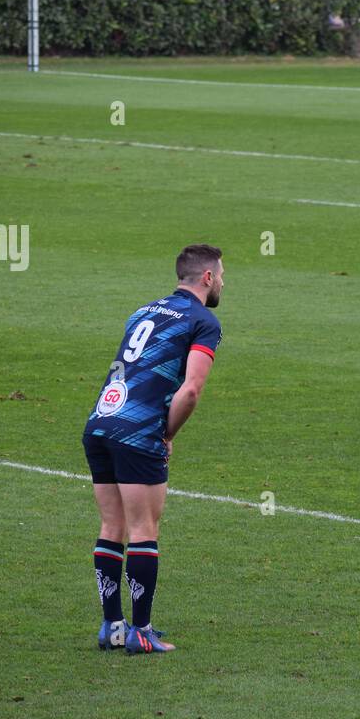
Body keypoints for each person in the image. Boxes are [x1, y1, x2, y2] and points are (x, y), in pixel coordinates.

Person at [84, 244, 226, 655]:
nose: (222, 283)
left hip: (100, 420)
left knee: (112, 527)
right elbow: (192, 390)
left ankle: (112, 625)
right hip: (137, 429)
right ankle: (141, 631)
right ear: (206, 278)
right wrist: (167, 434)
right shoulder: (203, 320)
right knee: (144, 530)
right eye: (221, 276)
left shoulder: (143, 311)